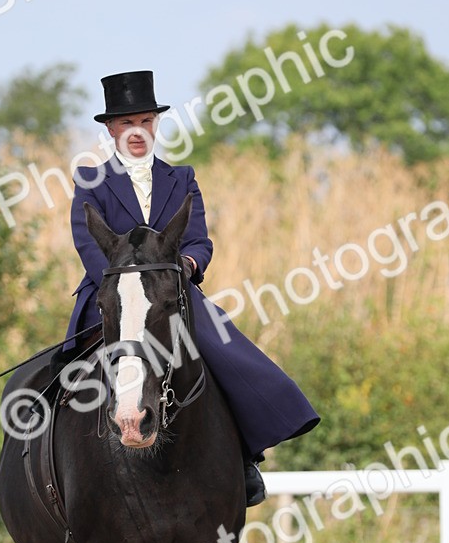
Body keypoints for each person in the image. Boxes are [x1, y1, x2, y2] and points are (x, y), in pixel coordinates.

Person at [65, 69, 320, 505]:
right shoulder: (92, 182)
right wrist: (122, 282)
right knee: (66, 367)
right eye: (127, 124)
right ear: (110, 129)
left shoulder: (181, 178)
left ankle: (244, 455)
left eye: (145, 121)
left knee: (222, 347)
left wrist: (186, 263)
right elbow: (88, 242)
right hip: (112, 294)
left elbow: (200, 239)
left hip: (170, 292)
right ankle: (50, 454)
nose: (137, 131)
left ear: (156, 124)